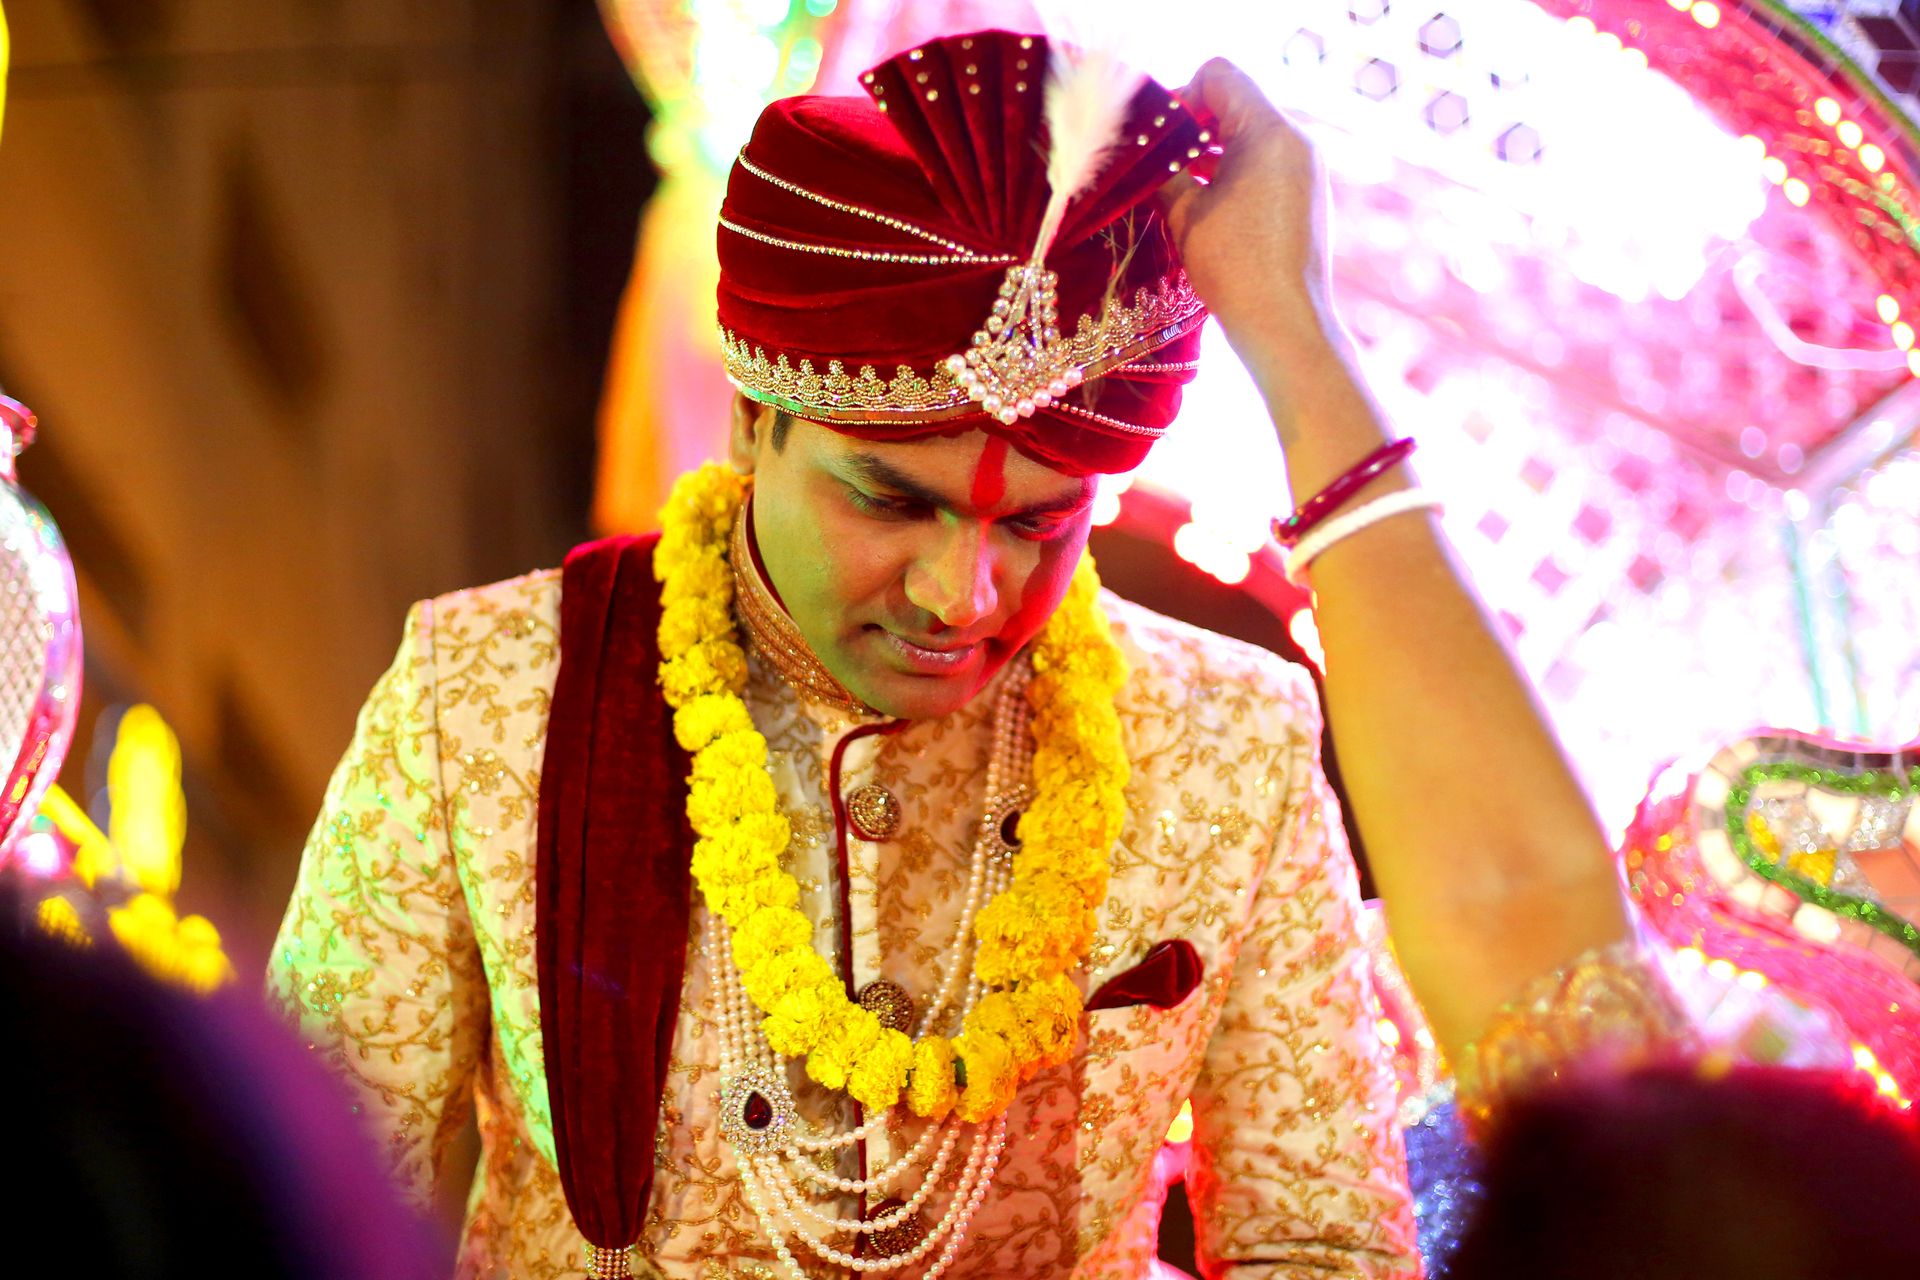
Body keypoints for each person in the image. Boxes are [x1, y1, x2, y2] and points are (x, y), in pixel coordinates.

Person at [268, 30, 1649, 1280]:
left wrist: (1287, 322)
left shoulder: (1232, 741)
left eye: (1042, 524)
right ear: (754, 425)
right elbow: (291, 1204)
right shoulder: (490, 696)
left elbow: (1322, 1246)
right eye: (890, 499)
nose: (965, 593)